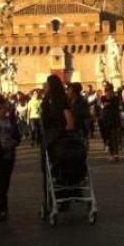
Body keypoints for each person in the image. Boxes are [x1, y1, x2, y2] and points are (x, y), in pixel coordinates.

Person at [40, 75, 76, 208]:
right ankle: (49, 200)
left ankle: (62, 199)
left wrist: (60, 135)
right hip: (47, 141)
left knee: (59, 170)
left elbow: (70, 123)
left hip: (59, 141)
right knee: (47, 171)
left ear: (52, 86)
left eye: (47, 83)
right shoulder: (46, 101)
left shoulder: (62, 101)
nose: (45, 86)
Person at [0, 97, 21, 221]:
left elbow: (17, 137)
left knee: (5, 182)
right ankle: (2, 209)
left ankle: (3, 205)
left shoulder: (11, 122)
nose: (2, 111)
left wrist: (11, 143)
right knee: (0, 183)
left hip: (9, 156)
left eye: (3, 108)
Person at [99, 82, 122, 160]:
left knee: (114, 137)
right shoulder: (103, 98)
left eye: (110, 90)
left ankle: (116, 154)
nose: (108, 92)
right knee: (108, 137)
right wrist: (107, 103)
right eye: (107, 90)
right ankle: (111, 153)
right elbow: (102, 105)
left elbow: (116, 106)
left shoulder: (116, 98)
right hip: (105, 120)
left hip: (114, 119)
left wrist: (108, 103)